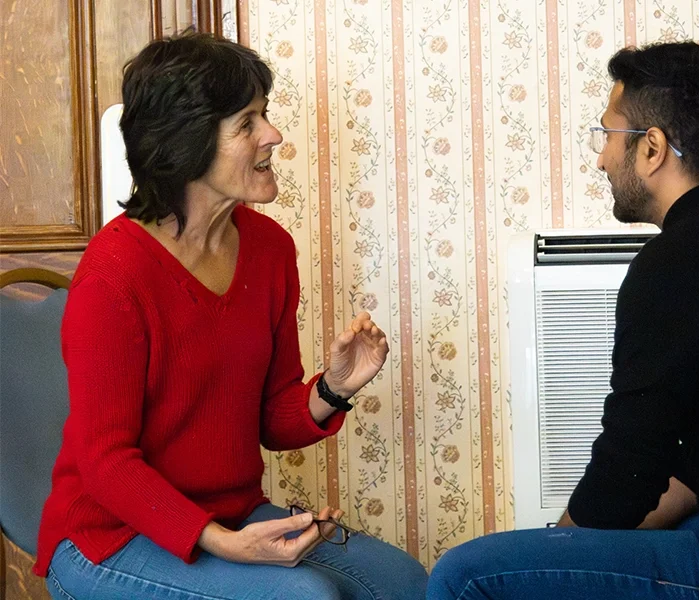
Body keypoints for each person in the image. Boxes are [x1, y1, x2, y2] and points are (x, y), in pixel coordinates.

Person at [34, 31, 428, 600]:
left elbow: (271, 418)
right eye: (248, 123)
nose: (274, 135)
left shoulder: (269, 250)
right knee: (307, 599)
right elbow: (105, 462)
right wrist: (221, 541)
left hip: (231, 515)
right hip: (108, 539)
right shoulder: (113, 276)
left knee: (402, 582)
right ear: (187, 143)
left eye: (263, 115)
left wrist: (334, 388)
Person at [427, 41, 699, 600]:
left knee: (465, 576)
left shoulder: (675, 265)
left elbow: (630, 468)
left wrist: (560, 549)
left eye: (608, 135)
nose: (600, 158)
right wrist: (564, 546)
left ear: (652, 149)